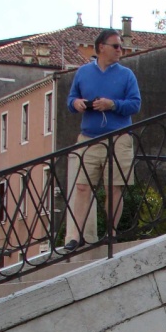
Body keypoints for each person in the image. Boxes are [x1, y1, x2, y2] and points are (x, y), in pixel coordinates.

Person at [65, 29, 142, 249]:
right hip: (88, 138)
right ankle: (75, 236)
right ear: (101, 47)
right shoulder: (82, 73)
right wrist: (77, 103)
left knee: (113, 188)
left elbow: (135, 104)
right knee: (81, 187)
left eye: (121, 46)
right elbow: (70, 99)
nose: (121, 50)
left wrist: (112, 104)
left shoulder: (127, 75)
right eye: (116, 46)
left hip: (118, 138)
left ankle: (111, 233)